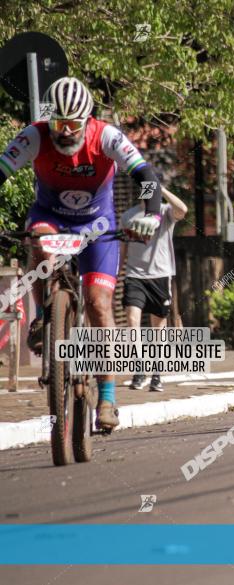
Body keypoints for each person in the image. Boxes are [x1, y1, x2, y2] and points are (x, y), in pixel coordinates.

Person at [0, 76, 165, 430]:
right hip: (50, 218)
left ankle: (107, 397)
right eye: (58, 123)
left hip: (98, 224)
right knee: (40, 242)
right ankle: (45, 316)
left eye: (74, 124)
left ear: (87, 120)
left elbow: (146, 174)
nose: (64, 133)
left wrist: (151, 213)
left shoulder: (106, 136)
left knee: (98, 304)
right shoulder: (34, 135)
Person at [121, 187, 187, 392]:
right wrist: (115, 273)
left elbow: (183, 209)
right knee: (132, 320)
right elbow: (123, 247)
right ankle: (140, 367)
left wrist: (164, 190)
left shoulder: (166, 211)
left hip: (160, 276)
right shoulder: (128, 215)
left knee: (157, 328)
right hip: (134, 276)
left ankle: (157, 373)